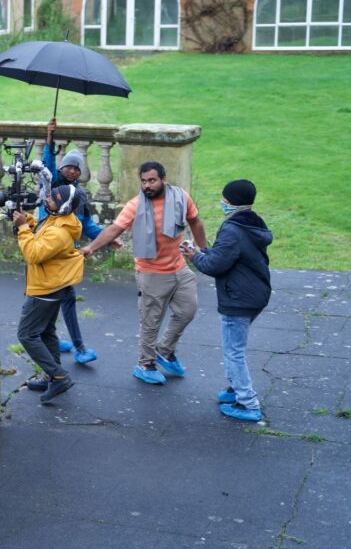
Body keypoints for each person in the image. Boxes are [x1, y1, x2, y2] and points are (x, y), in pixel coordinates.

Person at [80, 161, 207, 385]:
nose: (147, 185)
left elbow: (195, 221)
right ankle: (145, 364)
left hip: (179, 267)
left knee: (188, 310)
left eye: (152, 180)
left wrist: (203, 250)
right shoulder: (135, 205)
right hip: (151, 273)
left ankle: (164, 350)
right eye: (144, 181)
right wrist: (91, 247)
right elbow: (114, 229)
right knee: (151, 322)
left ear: (163, 180)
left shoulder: (180, 197)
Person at [31, 118, 122, 367]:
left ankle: (48, 336)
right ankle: (78, 347)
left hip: (65, 253)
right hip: (50, 250)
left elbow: (87, 225)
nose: (72, 171)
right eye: (68, 166)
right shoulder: (52, 185)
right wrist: (49, 137)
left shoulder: (79, 195)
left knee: (54, 298)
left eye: (76, 168)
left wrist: (108, 238)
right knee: (65, 297)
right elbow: (47, 163)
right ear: (61, 168)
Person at [180, 179, 272, 422]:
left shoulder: (232, 229)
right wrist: (201, 252)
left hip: (239, 297)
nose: (222, 202)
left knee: (234, 352)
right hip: (255, 293)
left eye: (224, 198)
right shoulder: (252, 222)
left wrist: (193, 257)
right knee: (235, 348)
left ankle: (248, 403)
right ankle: (234, 389)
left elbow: (215, 265)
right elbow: (226, 255)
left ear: (230, 201)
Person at [12, 184, 86, 403]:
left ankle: (59, 376)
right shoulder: (59, 220)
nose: (47, 200)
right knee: (46, 332)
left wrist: (22, 228)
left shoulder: (60, 232)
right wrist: (28, 221)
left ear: (62, 205)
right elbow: (41, 234)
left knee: (26, 334)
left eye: (52, 199)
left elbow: (33, 254)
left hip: (45, 288)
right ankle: (51, 377)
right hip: (53, 285)